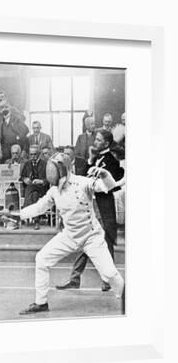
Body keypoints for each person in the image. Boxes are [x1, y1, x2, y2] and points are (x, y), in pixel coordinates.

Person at [10, 153, 125, 315]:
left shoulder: (83, 182)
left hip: (91, 236)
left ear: (62, 170)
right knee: (42, 259)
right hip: (70, 235)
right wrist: (18, 215)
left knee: (109, 273)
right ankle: (41, 302)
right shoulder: (54, 190)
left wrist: (105, 175)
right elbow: (39, 207)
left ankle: (127, 297)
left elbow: (108, 186)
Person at [56, 129, 124, 291]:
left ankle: (108, 280)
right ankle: (75, 279)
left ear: (106, 143)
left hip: (103, 206)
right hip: (90, 205)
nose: (95, 142)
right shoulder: (97, 158)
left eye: (99, 140)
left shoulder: (112, 160)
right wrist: (91, 159)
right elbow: (84, 177)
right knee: (86, 241)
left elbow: (110, 184)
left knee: (105, 242)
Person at [21, 145, 48, 230]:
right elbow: (22, 176)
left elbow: (50, 179)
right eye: (31, 154)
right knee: (34, 195)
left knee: (30, 188)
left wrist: (42, 181)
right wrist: (25, 179)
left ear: (39, 154)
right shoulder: (27, 164)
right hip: (33, 191)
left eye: (35, 154)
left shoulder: (45, 164)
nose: (33, 156)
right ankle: (36, 221)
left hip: (42, 189)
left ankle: (23, 213)